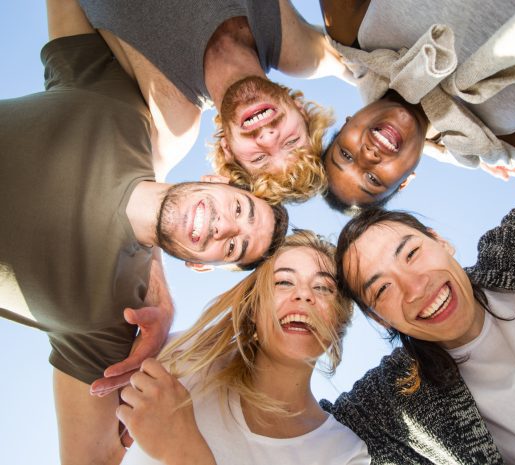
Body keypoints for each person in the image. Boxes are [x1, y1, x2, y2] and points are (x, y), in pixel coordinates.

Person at [0, 4, 288, 464]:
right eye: (240, 208)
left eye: (234, 245)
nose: (226, 225)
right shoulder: (121, 108)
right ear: (216, 181)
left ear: (201, 264)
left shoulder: (113, 322)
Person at [324, 165, 515, 464]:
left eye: (411, 254)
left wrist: (450, 145)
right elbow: (305, 441)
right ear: (380, 318)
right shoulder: (393, 401)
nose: (416, 288)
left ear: (441, 242)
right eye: (382, 289)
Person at [319, 0, 515, 210]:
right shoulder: (497, 143)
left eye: (345, 154)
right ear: (406, 181)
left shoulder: (352, 34)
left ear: (346, 123)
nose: (367, 156)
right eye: (372, 178)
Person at [114, 231, 370, 465]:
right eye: (283, 282)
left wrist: (184, 452)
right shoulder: (184, 357)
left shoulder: (344, 453)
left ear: (340, 323)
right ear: (253, 312)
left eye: (323, 288)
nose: (303, 295)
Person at [74, 0, 350, 203]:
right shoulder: (300, 50)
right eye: (291, 142)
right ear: (302, 112)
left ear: (227, 150)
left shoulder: (171, 119)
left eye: (259, 157)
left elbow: (123, 197)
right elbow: (373, 67)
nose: (267, 136)